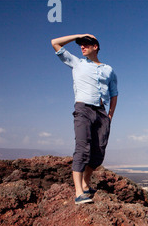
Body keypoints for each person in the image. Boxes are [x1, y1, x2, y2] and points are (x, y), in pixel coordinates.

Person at [51, 34, 118, 204]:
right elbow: (55, 43)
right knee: (82, 148)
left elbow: (114, 93)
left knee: (99, 151)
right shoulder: (77, 63)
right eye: (80, 44)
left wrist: (110, 115)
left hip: (102, 112)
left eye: (86, 44)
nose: (82, 46)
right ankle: (79, 192)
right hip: (83, 109)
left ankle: (86, 184)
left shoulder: (108, 69)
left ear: (95, 47)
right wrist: (78, 36)